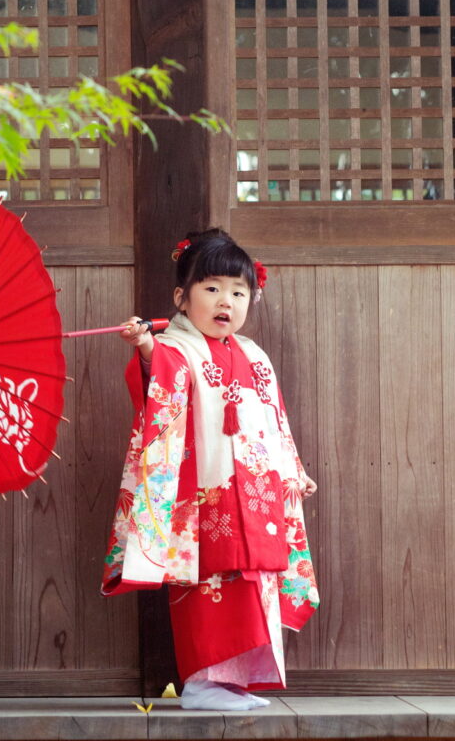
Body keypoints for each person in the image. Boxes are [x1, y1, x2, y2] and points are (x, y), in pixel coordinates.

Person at [101, 228, 318, 711]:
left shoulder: (254, 356)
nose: (227, 301)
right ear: (182, 297)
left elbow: (275, 419)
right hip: (208, 490)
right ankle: (201, 683)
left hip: (257, 488)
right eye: (213, 288)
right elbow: (164, 381)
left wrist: (292, 468)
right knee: (209, 582)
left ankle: (234, 682)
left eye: (239, 292)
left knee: (253, 579)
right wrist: (145, 348)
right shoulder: (177, 346)